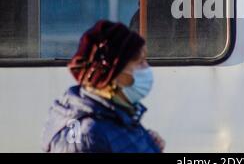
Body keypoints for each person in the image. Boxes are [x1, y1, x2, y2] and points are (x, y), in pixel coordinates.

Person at [42, 20, 165, 153]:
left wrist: (149, 146)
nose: (147, 68)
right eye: (140, 62)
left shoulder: (118, 115)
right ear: (114, 74)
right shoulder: (88, 135)